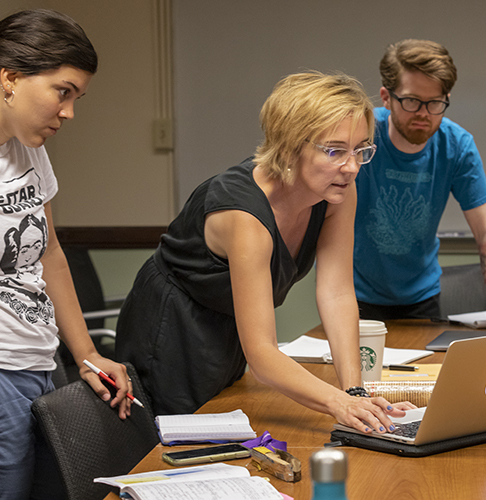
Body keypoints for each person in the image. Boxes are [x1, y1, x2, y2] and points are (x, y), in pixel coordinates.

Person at [116, 71, 415, 435]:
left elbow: (336, 293)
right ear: (290, 146)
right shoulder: (244, 215)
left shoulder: (337, 189)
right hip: (172, 330)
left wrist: (354, 392)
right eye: (335, 151)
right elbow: (261, 354)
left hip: (226, 328)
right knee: (177, 445)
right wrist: (339, 404)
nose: (351, 167)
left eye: (360, 150)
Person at [0, 9, 132, 499]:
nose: (69, 112)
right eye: (63, 91)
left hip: (39, 356)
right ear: (10, 77)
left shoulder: (28, 148)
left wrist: (86, 354)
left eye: (77, 97)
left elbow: (50, 252)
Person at [354, 39, 486, 329]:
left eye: (434, 103)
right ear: (386, 97)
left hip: (422, 296)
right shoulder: (361, 136)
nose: (423, 113)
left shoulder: (457, 146)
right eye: (411, 101)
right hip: (355, 294)